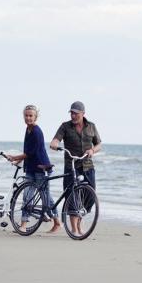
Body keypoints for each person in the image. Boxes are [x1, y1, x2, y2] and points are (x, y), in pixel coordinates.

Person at [7, 104, 62, 233]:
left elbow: (31, 153)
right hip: (31, 168)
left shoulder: (37, 131)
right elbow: (27, 150)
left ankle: (57, 222)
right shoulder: (28, 129)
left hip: (41, 167)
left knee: (46, 198)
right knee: (27, 196)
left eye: (31, 115)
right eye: (26, 115)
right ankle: (24, 225)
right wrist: (19, 160)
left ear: (36, 116)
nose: (28, 118)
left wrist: (15, 157)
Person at [49, 101, 102, 236]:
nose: (73, 116)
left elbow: (99, 144)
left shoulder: (91, 126)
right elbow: (56, 140)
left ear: (83, 113)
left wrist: (92, 150)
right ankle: (74, 229)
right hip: (71, 166)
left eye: (76, 113)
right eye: (71, 113)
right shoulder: (65, 126)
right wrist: (55, 144)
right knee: (72, 196)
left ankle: (79, 222)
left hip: (88, 165)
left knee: (90, 195)